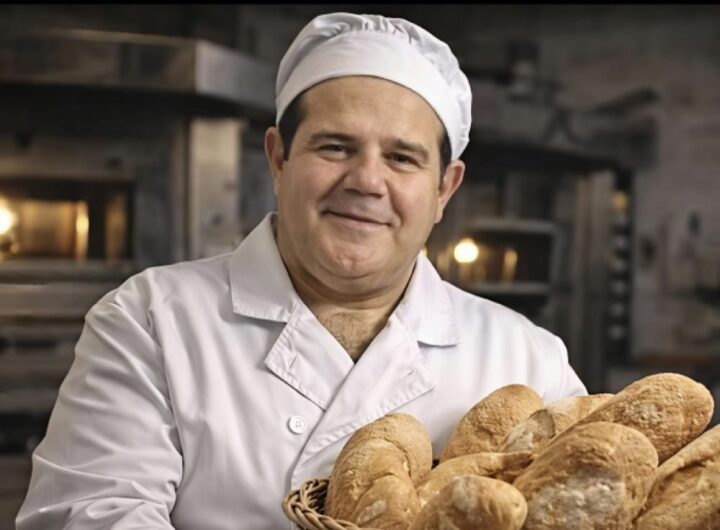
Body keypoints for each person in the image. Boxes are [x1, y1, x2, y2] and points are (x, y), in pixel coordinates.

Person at [16, 12, 586, 530]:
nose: (367, 181)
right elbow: (90, 514)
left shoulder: (529, 360)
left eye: (401, 158)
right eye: (335, 147)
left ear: (444, 189)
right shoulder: (151, 321)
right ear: (279, 159)